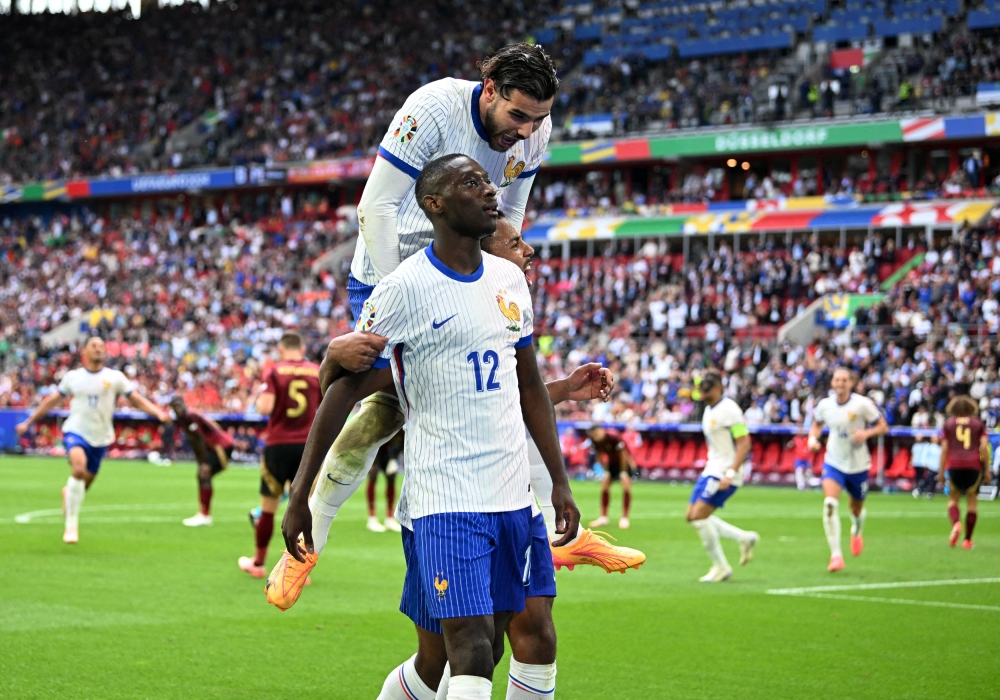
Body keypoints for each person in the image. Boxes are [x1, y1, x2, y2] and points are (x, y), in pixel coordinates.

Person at [280, 154, 581, 700]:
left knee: (504, 639)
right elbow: (342, 391)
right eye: (473, 183)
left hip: (513, 497)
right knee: (473, 648)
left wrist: (556, 483)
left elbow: (529, 386)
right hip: (444, 498)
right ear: (434, 205)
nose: (491, 192)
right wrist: (302, 495)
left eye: (488, 182)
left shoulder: (511, 279)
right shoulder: (402, 289)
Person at [305, 42, 562, 569]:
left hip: (468, 270)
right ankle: (312, 530)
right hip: (391, 271)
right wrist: (399, 293)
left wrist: (503, 286)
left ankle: (558, 528)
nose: (528, 131)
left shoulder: (535, 133)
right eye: (518, 115)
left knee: (502, 394)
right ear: (488, 90)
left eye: (539, 119)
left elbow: (508, 215)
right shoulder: (433, 108)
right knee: (383, 408)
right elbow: (374, 207)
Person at [15, 336, 169, 543]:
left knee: (82, 486)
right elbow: (52, 400)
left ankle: (68, 493)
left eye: (101, 347)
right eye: (93, 346)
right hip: (76, 431)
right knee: (78, 468)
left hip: (101, 437)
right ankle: (71, 527)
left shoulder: (115, 378)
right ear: (84, 352)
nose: (98, 349)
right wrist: (29, 421)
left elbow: (136, 399)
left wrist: (158, 413)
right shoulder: (73, 377)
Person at [237, 332, 321, 578]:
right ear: (302, 347)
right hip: (308, 445)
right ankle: (301, 571)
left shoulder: (274, 371)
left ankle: (259, 563)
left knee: (268, 508)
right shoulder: (316, 371)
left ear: (281, 349)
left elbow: (264, 407)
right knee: (305, 507)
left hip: (278, 444)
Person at [808, 368, 889, 572]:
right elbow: (816, 425)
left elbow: (883, 426)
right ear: (832, 383)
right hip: (834, 462)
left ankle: (857, 530)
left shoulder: (862, 404)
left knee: (856, 509)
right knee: (830, 504)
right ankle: (836, 555)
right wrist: (812, 439)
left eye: (844, 380)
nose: (841, 383)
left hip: (858, 465)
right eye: (837, 380)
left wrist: (867, 432)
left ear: (850, 383)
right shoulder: (825, 405)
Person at [685, 370, 759, 583]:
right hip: (711, 469)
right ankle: (743, 538)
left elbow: (744, 443)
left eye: (705, 387)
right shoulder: (709, 409)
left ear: (718, 388)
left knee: (699, 516)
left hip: (723, 472)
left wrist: (731, 472)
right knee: (691, 516)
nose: (701, 391)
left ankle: (721, 567)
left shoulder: (729, 410)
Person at [169, 396, 234, 526]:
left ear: (184, 405)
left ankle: (205, 515)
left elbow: (199, 440)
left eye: (179, 405)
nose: (178, 409)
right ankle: (204, 513)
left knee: (204, 474)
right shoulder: (183, 419)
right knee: (203, 475)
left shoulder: (189, 417)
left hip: (221, 447)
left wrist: (203, 462)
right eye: (175, 407)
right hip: (216, 447)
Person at [938, 395, 991, 549]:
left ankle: (956, 523)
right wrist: (986, 469)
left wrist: (941, 472)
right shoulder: (978, 424)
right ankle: (967, 540)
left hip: (954, 465)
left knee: (953, 500)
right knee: (972, 503)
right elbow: (983, 448)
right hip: (973, 466)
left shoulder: (949, 424)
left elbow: (944, 449)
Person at [585, 426, 635, 529]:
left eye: (597, 434)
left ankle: (624, 518)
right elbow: (599, 456)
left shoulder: (613, 437)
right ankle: (604, 518)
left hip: (624, 463)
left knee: (626, 487)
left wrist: (623, 472)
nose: (596, 437)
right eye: (594, 436)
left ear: (601, 431)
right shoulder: (595, 442)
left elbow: (623, 454)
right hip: (611, 464)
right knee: (604, 487)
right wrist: (606, 471)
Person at [366, 432, 404, 533]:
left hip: (389, 451)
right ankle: (372, 518)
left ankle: (390, 518)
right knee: (373, 475)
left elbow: (402, 441)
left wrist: (393, 459)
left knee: (391, 477)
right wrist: (373, 462)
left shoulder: (403, 425)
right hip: (375, 448)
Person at [788, 425, 812, 491]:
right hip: (799, 458)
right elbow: (789, 445)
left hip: (806, 458)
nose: (801, 432)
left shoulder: (808, 438)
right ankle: (800, 485)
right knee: (799, 471)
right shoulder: (795, 439)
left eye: (802, 431)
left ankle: (807, 484)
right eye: (800, 431)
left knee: (808, 472)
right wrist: (789, 444)